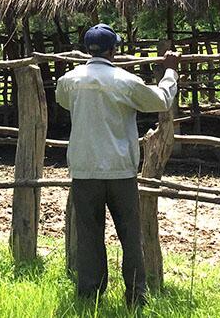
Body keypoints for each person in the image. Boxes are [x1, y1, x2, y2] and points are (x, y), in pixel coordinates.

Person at [56, 23, 179, 307]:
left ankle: (91, 294)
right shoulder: (124, 80)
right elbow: (160, 101)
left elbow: (63, 102)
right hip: (120, 169)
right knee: (130, 235)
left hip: (84, 169)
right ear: (114, 50)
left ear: (88, 49)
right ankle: (136, 295)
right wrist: (170, 71)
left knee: (88, 235)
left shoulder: (69, 80)